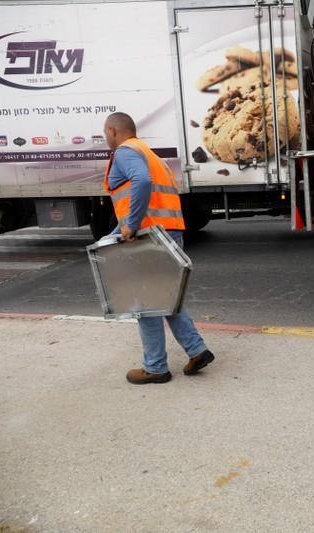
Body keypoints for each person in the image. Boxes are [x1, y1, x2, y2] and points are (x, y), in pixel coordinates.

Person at [103, 112, 215, 384]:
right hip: (167, 232)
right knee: (165, 296)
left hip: (149, 237)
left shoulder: (125, 152)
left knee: (146, 302)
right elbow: (147, 196)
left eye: (105, 133)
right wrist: (114, 234)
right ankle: (197, 350)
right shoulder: (148, 154)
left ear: (113, 130)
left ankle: (155, 367)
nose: (105, 137)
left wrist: (131, 224)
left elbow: (141, 182)